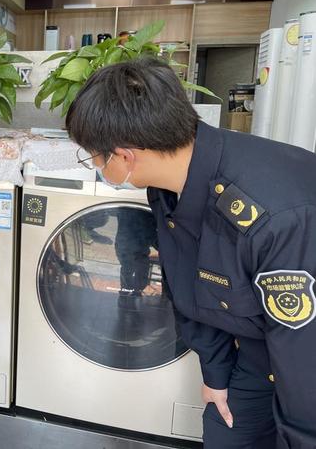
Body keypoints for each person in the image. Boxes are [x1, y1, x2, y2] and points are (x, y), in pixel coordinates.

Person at [65, 57, 316, 448]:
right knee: (225, 433)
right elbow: (188, 283)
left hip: (304, 358)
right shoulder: (169, 183)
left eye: (93, 158)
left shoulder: (273, 217)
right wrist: (215, 373)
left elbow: (305, 366)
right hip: (257, 346)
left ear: (125, 155)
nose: (95, 167)